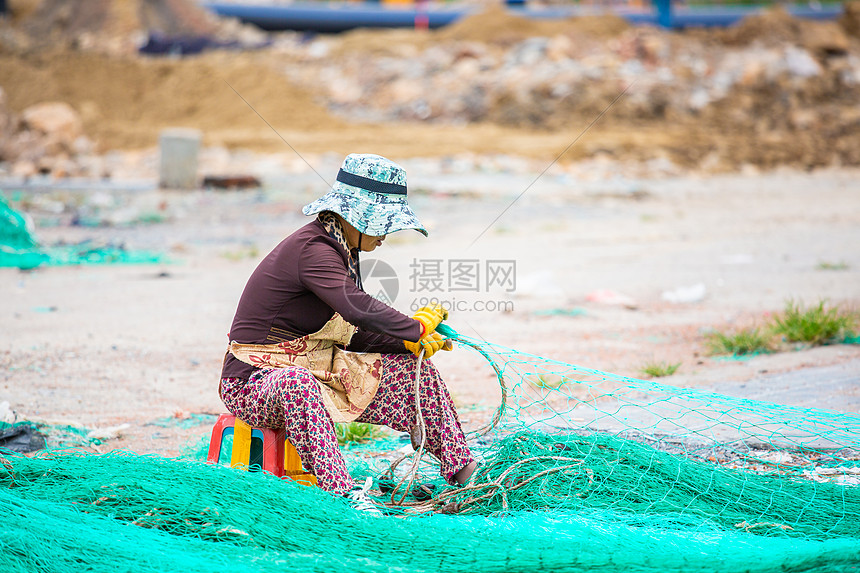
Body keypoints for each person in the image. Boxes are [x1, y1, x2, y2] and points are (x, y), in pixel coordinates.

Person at [219, 153, 477, 510]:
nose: (387, 235)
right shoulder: (313, 250)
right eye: (383, 224)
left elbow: (350, 331)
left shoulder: (343, 251)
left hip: (317, 368)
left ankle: (465, 474)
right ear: (355, 216)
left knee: (414, 371)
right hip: (253, 382)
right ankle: (344, 497)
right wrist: (415, 326)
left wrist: (405, 343)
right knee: (298, 383)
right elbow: (357, 306)